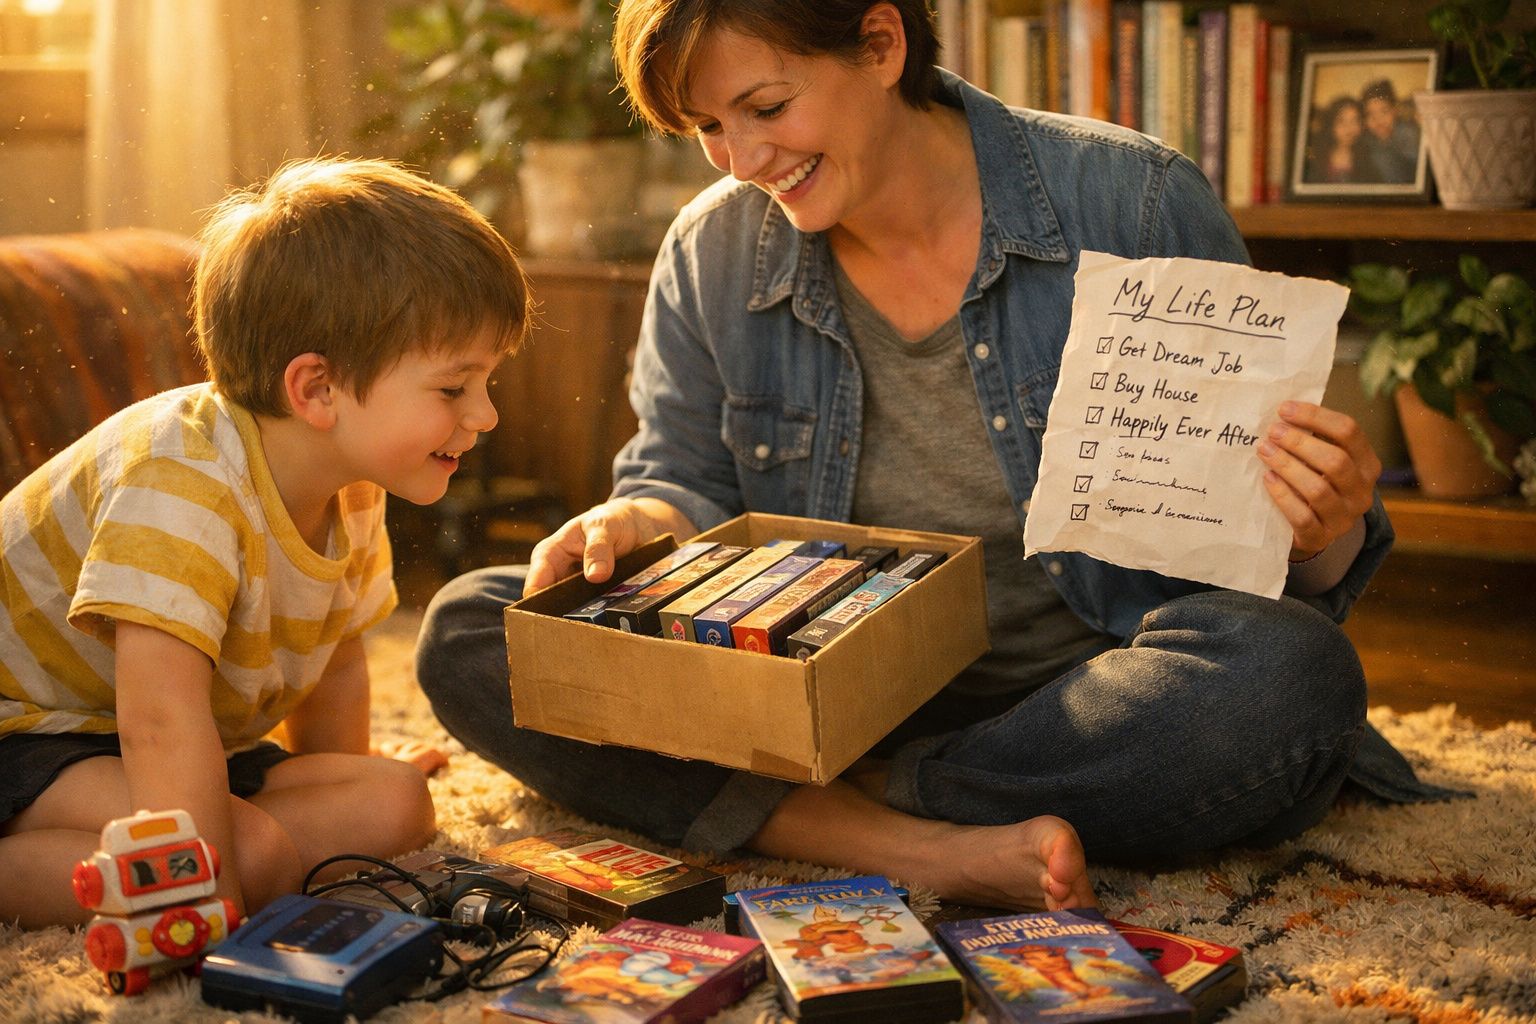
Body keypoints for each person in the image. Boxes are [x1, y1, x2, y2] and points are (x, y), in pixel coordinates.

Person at [417, 0, 1454, 913]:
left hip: (1084, 691)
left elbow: (1273, 567)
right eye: (707, 129)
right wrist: (634, 524)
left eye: (767, 108)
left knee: (1290, 674)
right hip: (810, 676)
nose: (741, 159)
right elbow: (678, 475)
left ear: (879, 41)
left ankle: (852, 800)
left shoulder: (1130, 202)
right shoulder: (712, 250)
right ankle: (917, 844)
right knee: (475, 627)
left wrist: (1323, 525)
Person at [0, 157, 531, 929]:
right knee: (244, 859)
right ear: (315, 389)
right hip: (34, 735)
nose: (483, 415)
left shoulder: (350, 485)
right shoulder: (181, 479)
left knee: (395, 801)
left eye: (486, 383)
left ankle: (213, 859)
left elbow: (338, 661)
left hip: (164, 743)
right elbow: (159, 715)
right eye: (454, 388)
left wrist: (339, 777)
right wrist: (207, 890)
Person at [1360, 79, 1421, 185]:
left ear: (1395, 111)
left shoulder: (1407, 133)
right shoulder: (1367, 140)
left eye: (1384, 111)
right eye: (1370, 114)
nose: (1378, 120)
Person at [1306, 95, 1368, 184]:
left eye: (1354, 121)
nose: (1349, 128)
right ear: (1331, 125)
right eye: (1341, 121)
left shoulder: (1367, 157)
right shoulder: (1316, 157)